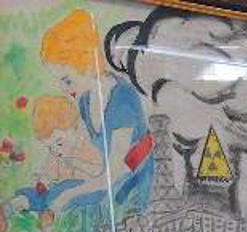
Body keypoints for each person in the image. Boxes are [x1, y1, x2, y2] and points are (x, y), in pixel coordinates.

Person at [39, 9, 153, 217]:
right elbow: (97, 164)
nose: (63, 89)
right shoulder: (84, 101)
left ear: (86, 64)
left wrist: (66, 197)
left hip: (135, 193)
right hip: (108, 189)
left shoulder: (122, 99)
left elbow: (114, 172)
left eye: (66, 79)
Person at [6, 95, 103, 214]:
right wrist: (41, 181)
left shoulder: (84, 147)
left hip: (80, 188)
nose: (56, 150)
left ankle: (44, 209)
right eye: (50, 147)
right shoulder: (55, 154)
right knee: (37, 192)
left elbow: (98, 170)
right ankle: (13, 205)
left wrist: (77, 163)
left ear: (74, 128)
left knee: (60, 190)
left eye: (59, 142)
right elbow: (48, 173)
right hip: (56, 190)